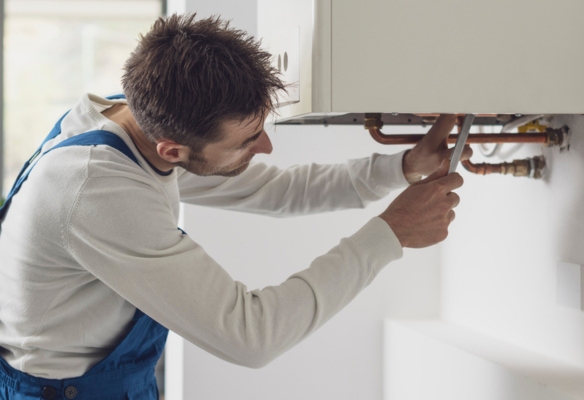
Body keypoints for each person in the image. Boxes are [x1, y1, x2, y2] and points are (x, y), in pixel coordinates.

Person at [0, 14, 470, 399]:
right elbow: (251, 335)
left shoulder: (134, 117)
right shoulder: (99, 192)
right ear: (173, 152)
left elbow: (276, 191)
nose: (266, 146)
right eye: (249, 138)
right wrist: (391, 233)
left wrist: (404, 167)